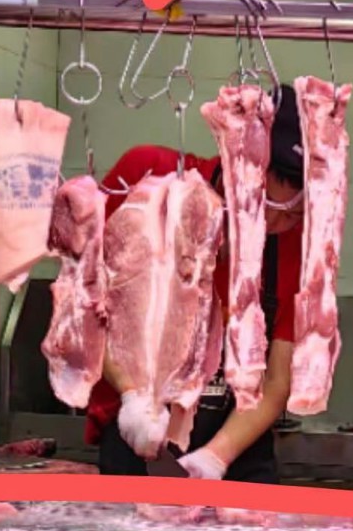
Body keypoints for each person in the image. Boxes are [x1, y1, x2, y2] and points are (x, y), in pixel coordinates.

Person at [86, 82, 304, 483]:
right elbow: (84, 303)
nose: (272, 225)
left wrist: (215, 458)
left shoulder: (293, 242)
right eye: (263, 205)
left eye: (290, 215)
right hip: (136, 437)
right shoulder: (147, 176)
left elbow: (277, 381)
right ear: (239, 160)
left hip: (237, 454)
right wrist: (131, 394)